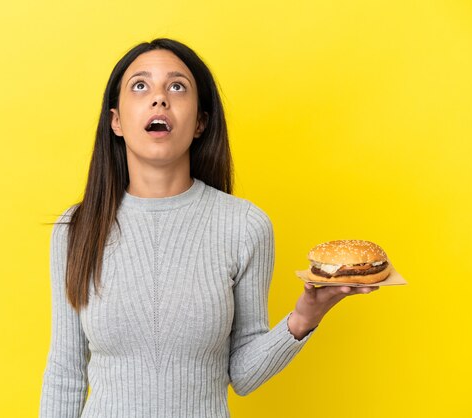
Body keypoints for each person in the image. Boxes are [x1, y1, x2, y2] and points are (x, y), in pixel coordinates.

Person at [38, 38, 379, 418]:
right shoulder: (76, 228)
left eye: (177, 86)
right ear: (116, 120)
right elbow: (66, 373)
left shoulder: (245, 225)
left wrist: (304, 318)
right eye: (140, 85)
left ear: (200, 122)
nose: (159, 99)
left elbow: (242, 374)